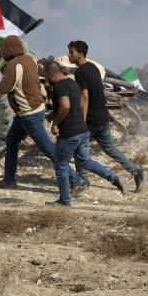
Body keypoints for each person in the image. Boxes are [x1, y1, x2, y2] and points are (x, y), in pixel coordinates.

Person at [0, 35, 83, 193]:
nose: (1, 52)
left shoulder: (12, 65)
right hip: (28, 112)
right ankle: (9, 179)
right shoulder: (30, 59)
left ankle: (75, 181)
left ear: (9, 50)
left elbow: (2, 89)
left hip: (29, 115)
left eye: (3, 49)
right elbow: (43, 75)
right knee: (11, 141)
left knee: (49, 150)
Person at [44, 61, 128, 206]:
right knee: (86, 162)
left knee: (61, 166)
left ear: (51, 74)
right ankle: (114, 179)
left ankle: (64, 201)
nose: (45, 78)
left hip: (69, 133)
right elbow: (73, 106)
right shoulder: (72, 83)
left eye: (45, 75)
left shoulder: (58, 87)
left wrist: (56, 123)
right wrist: (54, 114)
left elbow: (65, 105)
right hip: (83, 130)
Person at [67, 40, 146, 194]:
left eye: (72, 52)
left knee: (77, 148)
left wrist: (81, 121)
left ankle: (83, 182)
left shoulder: (80, 72)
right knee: (110, 148)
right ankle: (137, 172)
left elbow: (85, 96)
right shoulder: (93, 68)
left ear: (80, 54)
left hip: (91, 120)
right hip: (103, 116)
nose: (69, 55)